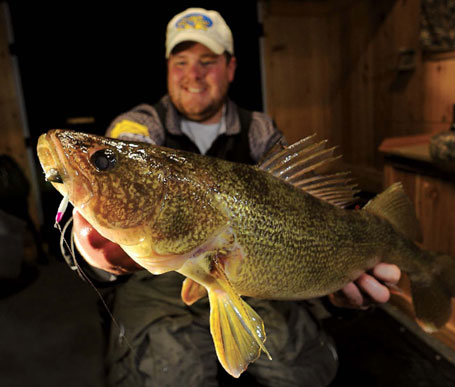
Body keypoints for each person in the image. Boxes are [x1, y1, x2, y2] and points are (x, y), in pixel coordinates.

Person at [71, 8, 401, 387]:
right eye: (181, 62)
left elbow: (305, 218)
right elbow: (129, 150)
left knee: (302, 369)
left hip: (247, 267)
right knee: (168, 372)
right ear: (168, 68)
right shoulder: (141, 122)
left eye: (207, 62)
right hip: (159, 276)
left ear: (230, 68)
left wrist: (333, 291)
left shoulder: (259, 129)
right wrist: (88, 247)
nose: (193, 74)